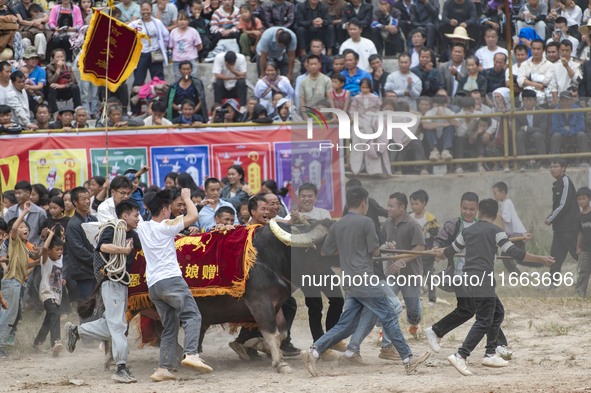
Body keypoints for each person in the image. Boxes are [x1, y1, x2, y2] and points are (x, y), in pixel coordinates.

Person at [300, 186, 430, 377]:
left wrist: (347, 251)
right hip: (365, 279)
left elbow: (325, 252)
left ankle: (313, 352)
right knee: (389, 315)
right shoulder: (367, 222)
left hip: (350, 281)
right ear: (364, 203)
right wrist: (378, 248)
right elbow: (375, 251)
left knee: (345, 325)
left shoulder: (337, 224)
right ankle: (408, 359)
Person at [438, 198, 554, 376]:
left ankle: (490, 352)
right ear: (495, 215)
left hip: (467, 280)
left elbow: (450, 250)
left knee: (497, 312)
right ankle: (461, 355)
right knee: (484, 320)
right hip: (483, 279)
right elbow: (515, 253)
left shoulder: (467, 231)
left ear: (479, 213)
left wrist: (440, 252)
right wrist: (541, 259)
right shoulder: (497, 232)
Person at [138, 188, 213, 381]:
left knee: (170, 327)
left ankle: (163, 368)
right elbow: (194, 215)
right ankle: (192, 354)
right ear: (164, 210)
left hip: (154, 285)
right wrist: (187, 199)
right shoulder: (166, 225)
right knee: (193, 316)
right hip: (171, 280)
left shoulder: (143, 227)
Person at [65, 200, 141, 383]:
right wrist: (123, 250)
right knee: (119, 326)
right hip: (111, 281)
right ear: (125, 216)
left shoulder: (134, 235)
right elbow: (102, 247)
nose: (139, 218)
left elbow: (140, 249)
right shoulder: (112, 228)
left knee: (112, 324)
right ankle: (121, 367)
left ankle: (77, 331)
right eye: (136, 215)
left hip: (122, 282)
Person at [381, 193, 425, 339]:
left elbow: (420, 248)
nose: (388, 209)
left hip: (410, 275)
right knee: (387, 302)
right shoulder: (387, 223)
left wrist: (402, 260)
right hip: (392, 273)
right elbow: (382, 243)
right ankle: (385, 333)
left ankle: (414, 323)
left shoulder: (413, 225)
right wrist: (385, 248)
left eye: (391, 206)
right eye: (388, 205)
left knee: (412, 308)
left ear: (402, 208)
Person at [0, 201, 35, 358]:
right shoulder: (14, 241)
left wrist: (40, 258)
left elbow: (30, 264)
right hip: (11, 282)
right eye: (21, 226)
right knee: (8, 316)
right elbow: (13, 228)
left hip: (16, 283)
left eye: (25, 226)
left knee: (11, 316)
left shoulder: (24, 246)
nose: (23, 228)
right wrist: (25, 212)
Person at [545, 158, 579, 285]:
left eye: (555, 166)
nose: (552, 169)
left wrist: (550, 218)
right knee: (555, 257)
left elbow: (563, 205)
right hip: (560, 229)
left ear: (564, 168)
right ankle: (553, 284)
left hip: (569, 228)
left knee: (578, 256)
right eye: (551, 166)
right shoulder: (558, 183)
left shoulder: (565, 182)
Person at [64, 186, 97, 312]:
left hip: (94, 271)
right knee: (86, 306)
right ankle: (83, 330)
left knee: (96, 305)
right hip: (83, 272)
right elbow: (79, 251)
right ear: (75, 203)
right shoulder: (73, 224)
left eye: (88, 198)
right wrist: (97, 260)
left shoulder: (93, 219)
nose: (87, 202)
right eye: (83, 199)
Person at [33, 228, 63, 356]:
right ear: (50, 250)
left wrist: (63, 280)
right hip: (46, 292)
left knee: (49, 319)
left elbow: (58, 274)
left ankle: (38, 342)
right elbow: (44, 248)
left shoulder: (59, 259)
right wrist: (50, 234)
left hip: (57, 294)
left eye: (61, 249)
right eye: (57, 250)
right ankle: (56, 341)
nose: (60, 252)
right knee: (55, 314)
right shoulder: (46, 260)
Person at [492, 181, 532, 274]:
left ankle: (541, 262)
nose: (495, 196)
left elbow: (507, 218)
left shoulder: (507, 202)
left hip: (518, 235)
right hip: (515, 235)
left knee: (509, 256)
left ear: (502, 193)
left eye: (495, 193)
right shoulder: (503, 203)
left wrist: (496, 215)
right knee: (513, 257)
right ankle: (517, 274)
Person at [409, 190, 439, 306]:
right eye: (412, 204)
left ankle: (432, 298)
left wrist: (435, 251)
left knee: (429, 274)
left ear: (424, 203)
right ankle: (416, 296)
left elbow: (436, 236)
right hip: (413, 249)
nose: (414, 206)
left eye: (417, 204)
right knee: (414, 275)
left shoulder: (430, 219)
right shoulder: (409, 217)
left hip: (427, 249)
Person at [129, 2, 170, 88]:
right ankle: (137, 100)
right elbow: (124, 31)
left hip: (155, 53)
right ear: (140, 11)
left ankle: (159, 99)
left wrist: (162, 48)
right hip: (141, 54)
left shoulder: (157, 22)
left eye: (147, 9)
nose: (145, 12)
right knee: (138, 80)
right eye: (143, 10)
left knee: (158, 80)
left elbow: (166, 36)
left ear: (151, 9)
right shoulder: (135, 24)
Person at [5, 180, 46, 245]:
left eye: (19, 193)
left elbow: (43, 234)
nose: (17, 196)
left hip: (33, 250)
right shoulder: (10, 211)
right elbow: (6, 231)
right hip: (15, 249)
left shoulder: (40, 212)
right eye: (16, 193)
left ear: (28, 193)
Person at [550, 91, 588, 155]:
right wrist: (565, 131)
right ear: (560, 101)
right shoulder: (555, 111)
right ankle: (555, 161)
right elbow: (554, 128)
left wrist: (570, 130)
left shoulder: (578, 110)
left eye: (567, 100)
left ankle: (584, 160)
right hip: (562, 136)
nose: (565, 103)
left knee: (582, 135)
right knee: (555, 136)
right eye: (562, 101)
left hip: (574, 135)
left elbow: (581, 127)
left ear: (572, 100)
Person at [45, 48, 81, 114]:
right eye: (57, 57)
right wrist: (58, 69)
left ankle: (77, 109)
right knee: (51, 88)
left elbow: (74, 81)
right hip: (56, 91)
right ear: (53, 59)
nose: (60, 59)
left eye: (62, 57)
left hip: (65, 89)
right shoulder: (49, 68)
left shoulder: (68, 67)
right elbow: (50, 81)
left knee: (75, 87)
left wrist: (63, 86)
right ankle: (54, 112)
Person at [169, 10, 202, 81]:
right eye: (180, 19)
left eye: (184, 19)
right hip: (177, 60)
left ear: (188, 21)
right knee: (178, 79)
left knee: (192, 79)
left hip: (190, 59)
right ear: (177, 21)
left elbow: (199, 46)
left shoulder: (193, 32)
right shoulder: (173, 32)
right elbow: (171, 47)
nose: (182, 22)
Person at [575, 186, 591, 297]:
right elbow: (580, 232)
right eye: (579, 199)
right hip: (585, 249)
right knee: (583, 272)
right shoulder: (579, 217)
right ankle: (579, 295)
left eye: (583, 198)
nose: (581, 201)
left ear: (589, 199)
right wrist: (578, 247)